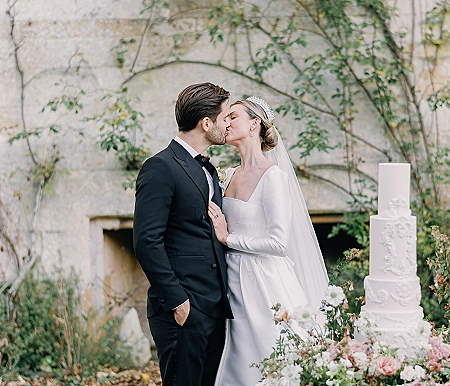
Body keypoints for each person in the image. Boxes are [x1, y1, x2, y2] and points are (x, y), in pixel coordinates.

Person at [209, 96, 329, 385]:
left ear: (254, 124)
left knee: (269, 355)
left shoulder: (273, 177)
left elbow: (278, 243)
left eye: (232, 116)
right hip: (230, 282)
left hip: (263, 282)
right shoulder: (227, 176)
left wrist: (228, 238)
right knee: (235, 361)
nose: (225, 122)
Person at [133, 82, 234, 386]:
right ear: (207, 123)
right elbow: (146, 240)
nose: (227, 124)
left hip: (214, 307)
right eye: (225, 117)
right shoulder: (160, 167)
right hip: (183, 308)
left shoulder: (209, 169)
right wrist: (178, 301)